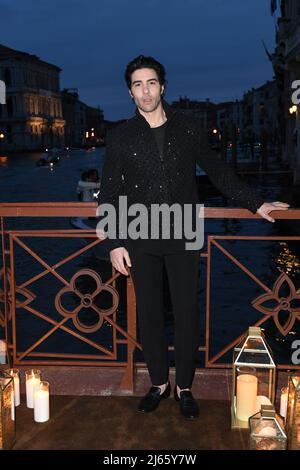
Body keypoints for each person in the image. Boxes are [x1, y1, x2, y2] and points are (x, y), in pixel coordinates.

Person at [98, 55, 289, 420]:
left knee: (186, 314)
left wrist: (256, 203)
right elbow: (109, 193)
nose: (145, 91)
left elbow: (218, 171)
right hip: (139, 235)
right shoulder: (121, 136)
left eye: (151, 82)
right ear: (130, 93)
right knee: (151, 315)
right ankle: (158, 383)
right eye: (137, 85)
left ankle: (183, 386)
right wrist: (115, 243)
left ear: (162, 86)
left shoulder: (187, 127)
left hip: (183, 232)